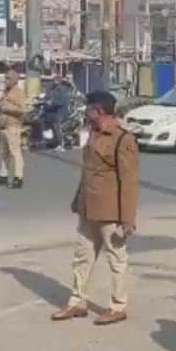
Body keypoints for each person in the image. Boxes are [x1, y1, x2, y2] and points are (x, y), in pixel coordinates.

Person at [52, 91, 140, 326]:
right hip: (88, 209)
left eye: (89, 109)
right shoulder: (93, 133)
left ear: (99, 111)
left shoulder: (123, 140)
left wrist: (128, 219)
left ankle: (118, 306)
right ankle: (77, 302)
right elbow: (88, 172)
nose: (86, 113)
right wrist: (77, 200)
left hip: (110, 213)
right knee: (82, 257)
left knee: (116, 260)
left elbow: (129, 182)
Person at [0, 69, 27, 188]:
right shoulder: (6, 92)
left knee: (15, 153)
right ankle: (3, 175)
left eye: (8, 78)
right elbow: (1, 111)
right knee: (4, 153)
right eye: (5, 78)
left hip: (13, 126)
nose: (6, 81)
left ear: (14, 80)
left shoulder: (19, 93)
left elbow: (22, 110)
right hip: (3, 126)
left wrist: (6, 107)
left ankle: (18, 178)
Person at [43, 78, 72, 150]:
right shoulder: (60, 91)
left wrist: (51, 103)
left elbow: (59, 102)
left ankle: (60, 144)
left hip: (60, 114)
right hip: (58, 113)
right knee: (55, 129)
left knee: (57, 129)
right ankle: (56, 143)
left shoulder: (61, 91)